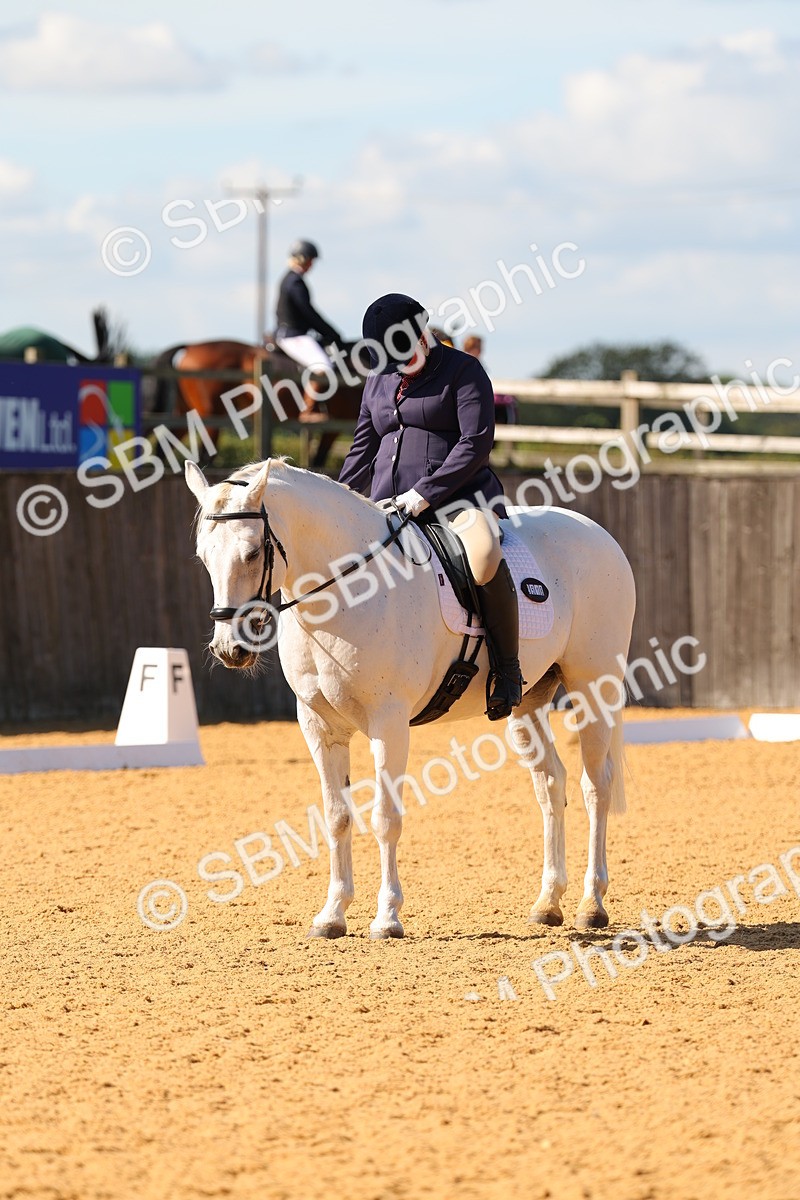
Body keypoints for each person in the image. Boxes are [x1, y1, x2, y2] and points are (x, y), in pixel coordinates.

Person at [338, 293, 524, 720]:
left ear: (423, 334)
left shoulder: (464, 371)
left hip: (458, 501)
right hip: (386, 505)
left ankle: (508, 670)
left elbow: (474, 443)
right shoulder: (378, 379)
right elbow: (363, 449)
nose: (399, 366)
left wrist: (423, 493)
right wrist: (341, 501)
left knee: (482, 554)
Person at [274, 239, 342, 421]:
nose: (312, 264)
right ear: (303, 258)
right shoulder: (295, 281)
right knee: (323, 366)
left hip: (290, 333)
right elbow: (308, 312)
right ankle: (308, 410)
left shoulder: (290, 279)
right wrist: (330, 332)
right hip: (293, 335)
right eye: (311, 260)